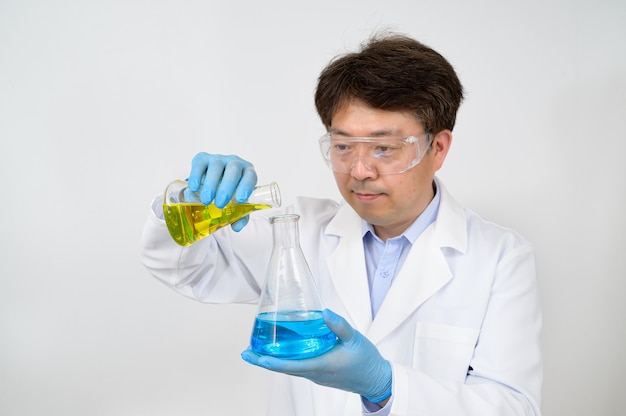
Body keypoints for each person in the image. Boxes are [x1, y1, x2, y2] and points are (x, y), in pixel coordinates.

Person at [140, 32, 542, 415]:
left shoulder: (499, 258)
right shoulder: (299, 230)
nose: (360, 169)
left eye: (384, 148)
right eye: (343, 146)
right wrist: (184, 203)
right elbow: (184, 266)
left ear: (437, 148)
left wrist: (385, 387)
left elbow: (514, 407)